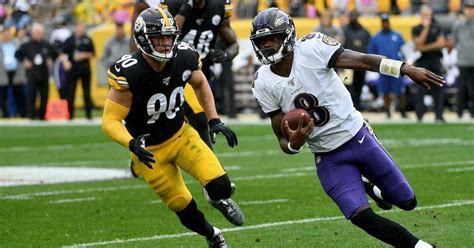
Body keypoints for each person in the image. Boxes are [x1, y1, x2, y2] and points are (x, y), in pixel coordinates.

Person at [250, 8, 443, 247]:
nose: (267, 45)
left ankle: (372, 188)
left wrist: (404, 68)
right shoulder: (262, 82)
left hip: (358, 136)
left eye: (273, 39)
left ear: (287, 36)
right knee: (359, 215)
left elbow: (362, 60)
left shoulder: (312, 48)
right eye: (262, 41)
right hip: (328, 156)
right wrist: (294, 143)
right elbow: (282, 140)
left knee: (407, 201)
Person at [102, 8, 244, 248]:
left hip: (180, 135)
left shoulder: (184, 57)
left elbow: (201, 84)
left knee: (221, 186)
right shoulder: (131, 71)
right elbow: (110, 120)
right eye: (159, 37)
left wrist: (214, 120)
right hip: (149, 152)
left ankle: (216, 198)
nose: (166, 42)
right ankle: (212, 234)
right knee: (182, 205)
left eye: (169, 36)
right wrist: (131, 143)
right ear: (144, 39)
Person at [129, 0, 239, 181]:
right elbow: (170, 34)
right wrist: (186, 9)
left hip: (201, 73)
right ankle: (214, 176)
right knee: (200, 118)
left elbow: (233, 43)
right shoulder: (173, 5)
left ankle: (138, 161)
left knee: (169, 123)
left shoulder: (218, 5)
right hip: (176, 71)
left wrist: (226, 55)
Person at [15, 22, 58, 120]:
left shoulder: (46, 44)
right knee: (31, 95)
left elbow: (55, 54)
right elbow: (17, 54)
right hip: (32, 74)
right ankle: (31, 115)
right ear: (33, 33)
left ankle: (42, 115)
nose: (38, 34)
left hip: (44, 74)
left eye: (40, 32)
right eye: (37, 32)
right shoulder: (27, 45)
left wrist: (50, 60)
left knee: (44, 96)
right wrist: (24, 61)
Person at [368, 13, 407, 119]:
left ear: (389, 23)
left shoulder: (397, 35)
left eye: (386, 22)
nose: (385, 24)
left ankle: (403, 111)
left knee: (399, 91)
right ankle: (387, 112)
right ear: (381, 23)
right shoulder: (376, 38)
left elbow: (404, 49)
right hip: (383, 66)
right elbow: (371, 52)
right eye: (383, 22)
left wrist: (405, 61)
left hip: (396, 66)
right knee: (385, 91)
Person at [412, 4, 446, 123]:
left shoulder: (437, 27)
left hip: (435, 61)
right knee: (420, 89)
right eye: (424, 14)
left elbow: (441, 43)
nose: (427, 16)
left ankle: (439, 115)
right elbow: (417, 44)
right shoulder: (416, 28)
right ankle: (420, 115)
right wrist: (426, 28)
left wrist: (423, 48)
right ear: (421, 15)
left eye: (428, 14)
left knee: (439, 88)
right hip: (422, 63)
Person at [63, 22, 95, 120]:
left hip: (85, 69)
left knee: (86, 92)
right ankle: (70, 115)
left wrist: (82, 55)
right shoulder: (69, 40)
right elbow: (63, 53)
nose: (81, 29)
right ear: (76, 28)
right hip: (73, 70)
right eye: (79, 27)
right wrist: (65, 62)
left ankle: (88, 115)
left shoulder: (88, 39)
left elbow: (93, 54)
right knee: (71, 92)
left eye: (83, 27)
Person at [342, 10, 371, 111]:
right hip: (347, 65)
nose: (353, 17)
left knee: (359, 87)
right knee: (347, 88)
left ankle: (357, 108)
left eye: (355, 15)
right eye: (352, 15)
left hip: (361, 65)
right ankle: (349, 108)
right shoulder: (344, 30)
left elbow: (368, 47)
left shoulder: (364, 31)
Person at [452, 0, 474, 119]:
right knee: (461, 88)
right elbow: (454, 42)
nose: (470, 11)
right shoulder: (458, 25)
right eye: (468, 8)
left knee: (473, 89)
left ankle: (472, 112)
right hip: (463, 61)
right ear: (464, 10)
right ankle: (459, 111)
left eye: (472, 8)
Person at [0, 25, 27, 118]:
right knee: (3, 95)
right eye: (4, 34)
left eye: (7, 34)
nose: (6, 36)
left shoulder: (16, 44)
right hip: (3, 72)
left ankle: (22, 113)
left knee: (19, 94)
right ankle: (6, 113)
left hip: (16, 72)